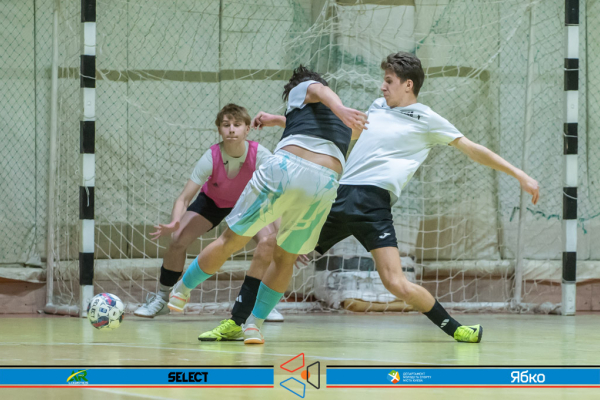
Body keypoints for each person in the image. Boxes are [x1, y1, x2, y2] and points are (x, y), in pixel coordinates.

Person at [251, 52, 540, 344]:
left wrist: (519, 174)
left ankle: (457, 329)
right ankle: (247, 322)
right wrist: (280, 121)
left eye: (389, 81)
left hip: (374, 205)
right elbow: (338, 130)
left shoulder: (427, 118)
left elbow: (473, 149)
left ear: (408, 85)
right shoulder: (377, 107)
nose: (382, 86)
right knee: (280, 248)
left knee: (395, 283)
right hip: (340, 195)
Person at [167, 65, 368, 344]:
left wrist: (339, 108)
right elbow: (315, 122)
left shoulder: (307, 88)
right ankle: (254, 325)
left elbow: (318, 90)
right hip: (323, 185)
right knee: (285, 258)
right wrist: (279, 120)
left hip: (286, 169)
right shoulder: (344, 124)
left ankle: (181, 290)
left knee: (231, 240)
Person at [134, 103, 283, 340]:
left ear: (247, 129)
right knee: (178, 238)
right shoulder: (211, 156)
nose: (231, 129)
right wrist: (175, 222)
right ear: (219, 129)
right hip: (213, 202)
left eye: (237, 125)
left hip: (247, 204)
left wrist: (283, 232)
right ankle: (163, 297)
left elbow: (276, 196)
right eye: (226, 125)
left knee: (269, 243)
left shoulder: (261, 155)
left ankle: (262, 303)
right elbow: (184, 198)